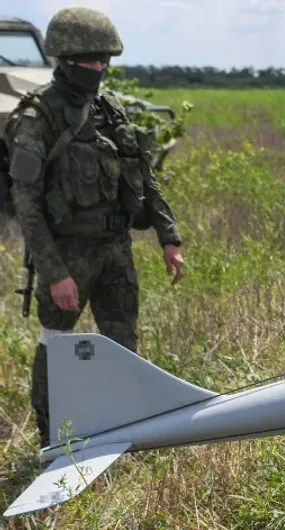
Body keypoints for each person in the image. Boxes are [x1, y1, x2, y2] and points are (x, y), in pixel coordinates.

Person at [3, 7, 185, 450]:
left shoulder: (111, 109)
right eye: (92, 59)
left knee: (123, 344)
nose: (101, 67)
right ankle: (52, 442)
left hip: (115, 251)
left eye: (105, 59)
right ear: (66, 60)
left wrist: (169, 236)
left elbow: (144, 175)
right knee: (56, 347)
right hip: (67, 254)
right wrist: (55, 272)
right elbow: (26, 206)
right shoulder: (37, 117)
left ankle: (124, 434)